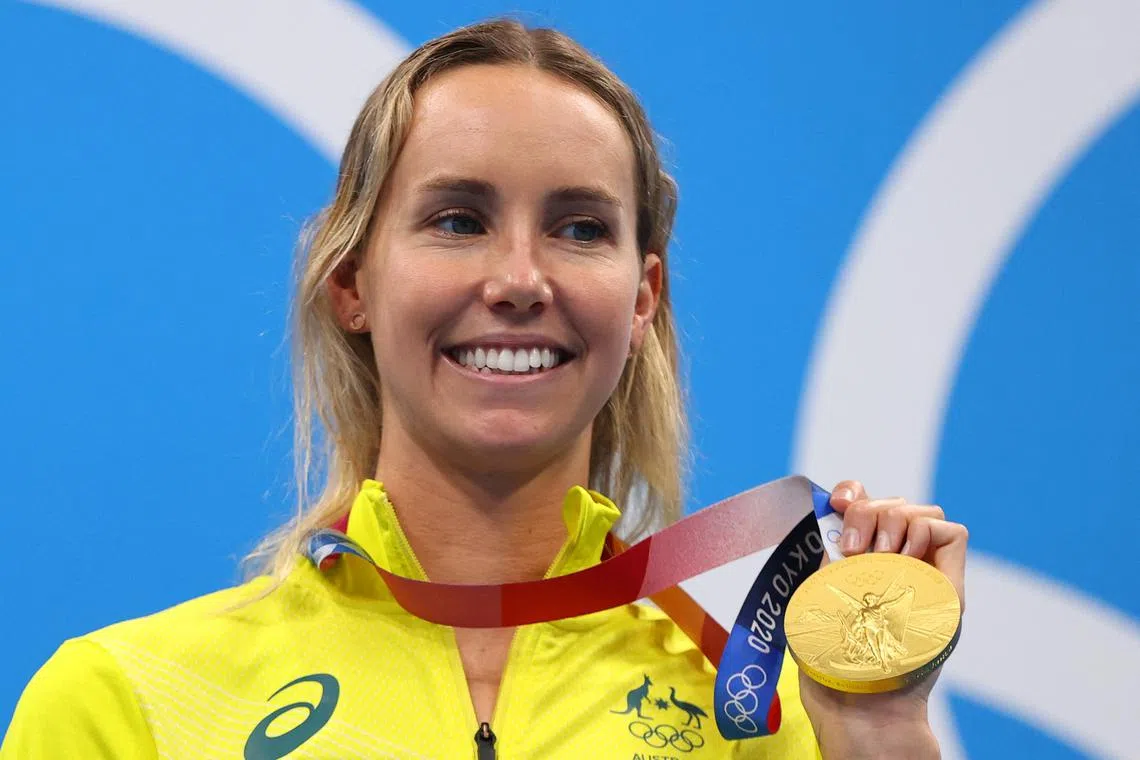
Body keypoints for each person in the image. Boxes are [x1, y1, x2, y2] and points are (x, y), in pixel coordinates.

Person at [0, 19, 968, 759]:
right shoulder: (131, 705)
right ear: (352, 284)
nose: (518, 278)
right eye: (459, 219)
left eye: (580, 228)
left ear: (644, 300)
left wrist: (879, 737)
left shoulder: (769, 723)